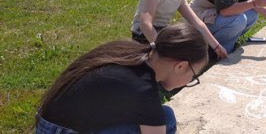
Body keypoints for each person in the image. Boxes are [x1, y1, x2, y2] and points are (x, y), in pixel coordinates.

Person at [35, 23, 209, 134]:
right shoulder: (144, 91)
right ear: (180, 66)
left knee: (165, 116)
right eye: (193, 75)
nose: (189, 81)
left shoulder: (131, 53)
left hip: (48, 123)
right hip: (58, 130)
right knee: (167, 121)